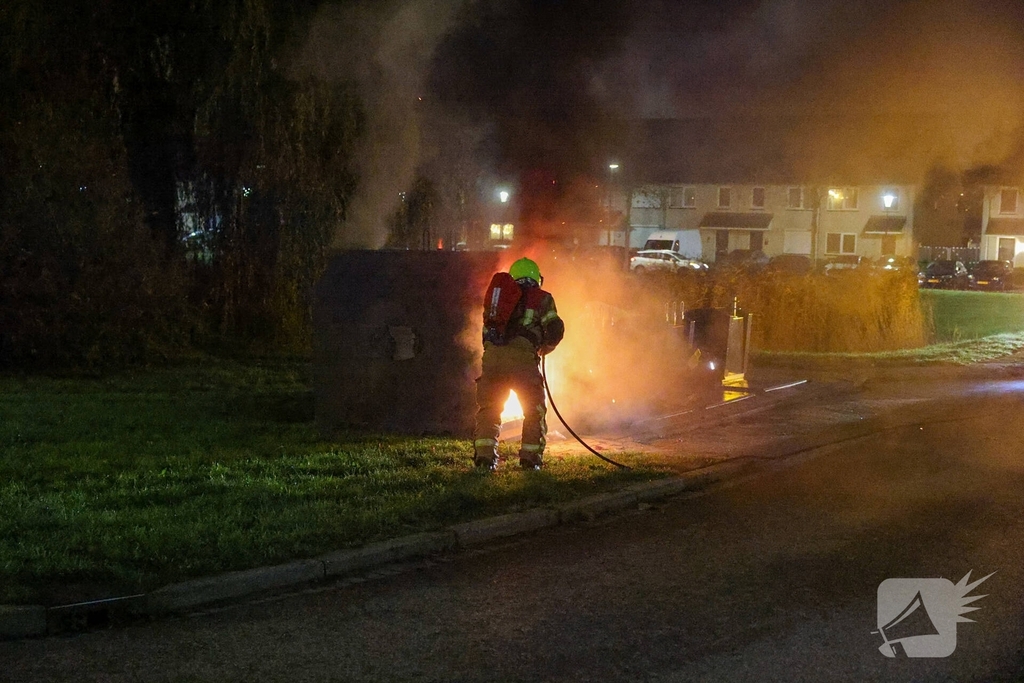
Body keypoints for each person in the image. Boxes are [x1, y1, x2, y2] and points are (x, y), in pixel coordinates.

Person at [473, 257, 564, 471]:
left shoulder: (499, 302)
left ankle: (485, 458)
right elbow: (555, 330)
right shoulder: (542, 298)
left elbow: (486, 334)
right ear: (535, 278)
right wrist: (544, 347)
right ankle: (529, 460)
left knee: (489, 408)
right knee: (534, 409)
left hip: (493, 359)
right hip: (522, 361)